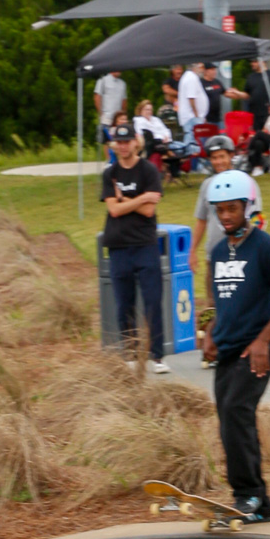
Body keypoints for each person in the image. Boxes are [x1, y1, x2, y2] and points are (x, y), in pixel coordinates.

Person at [201, 170, 270, 518]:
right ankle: (259, 503)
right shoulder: (216, 252)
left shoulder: (267, 247)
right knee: (228, 418)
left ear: (247, 207)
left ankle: (249, 495)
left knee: (235, 411)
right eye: (220, 210)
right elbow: (222, 303)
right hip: (228, 347)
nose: (225, 216)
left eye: (232, 209)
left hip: (259, 346)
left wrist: (262, 341)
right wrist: (210, 332)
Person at [101, 123, 168, 374]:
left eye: (127, 141)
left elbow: (150, 210)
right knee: (124, 304)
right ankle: (130, 354)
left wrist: (125, 199)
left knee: (153, 301)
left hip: (145, 244)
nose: (123, 146)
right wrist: (140, 199)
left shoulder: (149, 170)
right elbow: (113, 210)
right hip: (118, 246)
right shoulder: (110, 173)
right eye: (119, 142)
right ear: (114, 145)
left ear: (135, 142)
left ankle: (157, 356)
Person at [193, 136, 263, 262]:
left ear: (231, 156)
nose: (218, 162)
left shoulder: (246, 182)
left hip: (242, 253)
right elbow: (201, 221)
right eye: (214, 158)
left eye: (221, 156)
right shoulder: (207, 185)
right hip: (214, 254)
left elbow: (256, 219)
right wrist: (192, 250)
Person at [177, 63, 209, 150]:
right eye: (201, 67)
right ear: (195, 67)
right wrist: (197, 115)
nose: (202, 70)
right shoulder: (191, 78)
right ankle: (193, 163)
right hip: (192, 118)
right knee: (194, 148)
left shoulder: (189, 77)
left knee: (193, 145)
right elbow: (191, 98)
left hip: (192, 118)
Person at [94, 71, 127, 156]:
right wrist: (101, 113)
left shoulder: (122, 84)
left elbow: (124, 100)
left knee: (120, 137)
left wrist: (123, 115)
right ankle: (109, 161)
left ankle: (119, 160)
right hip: (107, 116)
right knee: (107, 140)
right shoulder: (102, 81)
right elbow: (97, 97)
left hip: (118, 117)